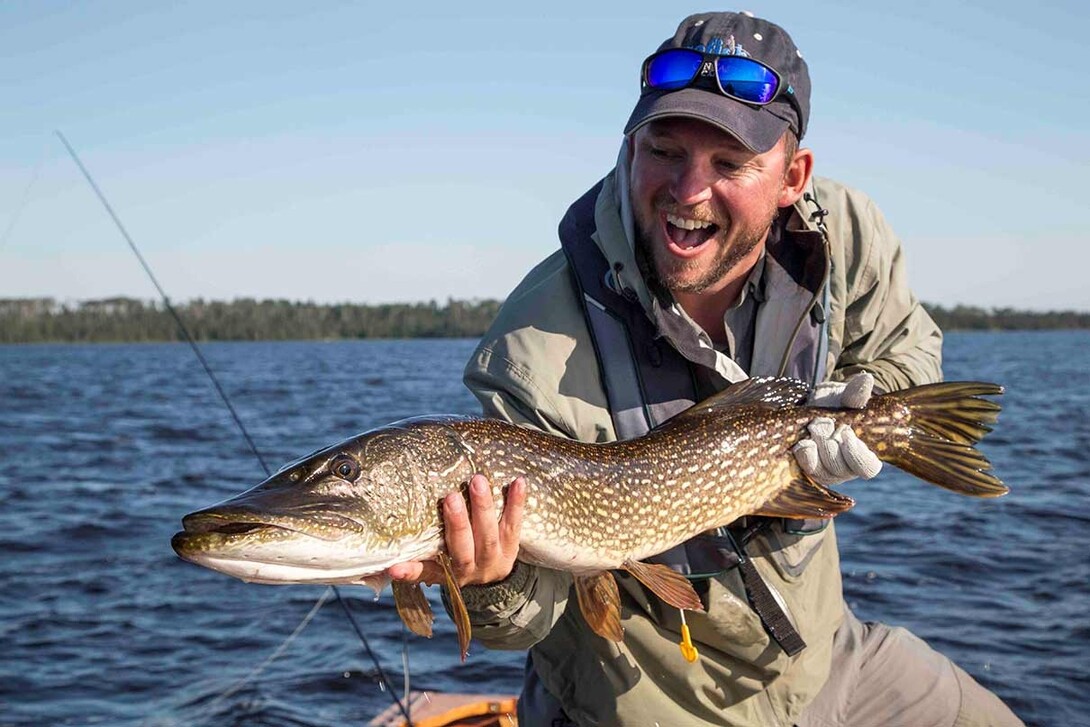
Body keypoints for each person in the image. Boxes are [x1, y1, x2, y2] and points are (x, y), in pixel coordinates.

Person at [389, 11, 1023, 726]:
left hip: (821, 661)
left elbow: (905, 346)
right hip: (640, 703)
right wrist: (488, 583)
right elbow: (528, 620)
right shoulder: (531, 348)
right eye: (664, 150)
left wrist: (877, 409)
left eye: (728, 164)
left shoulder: (844, 233)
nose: (689, 190)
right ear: (629, 150)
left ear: (792, 176)